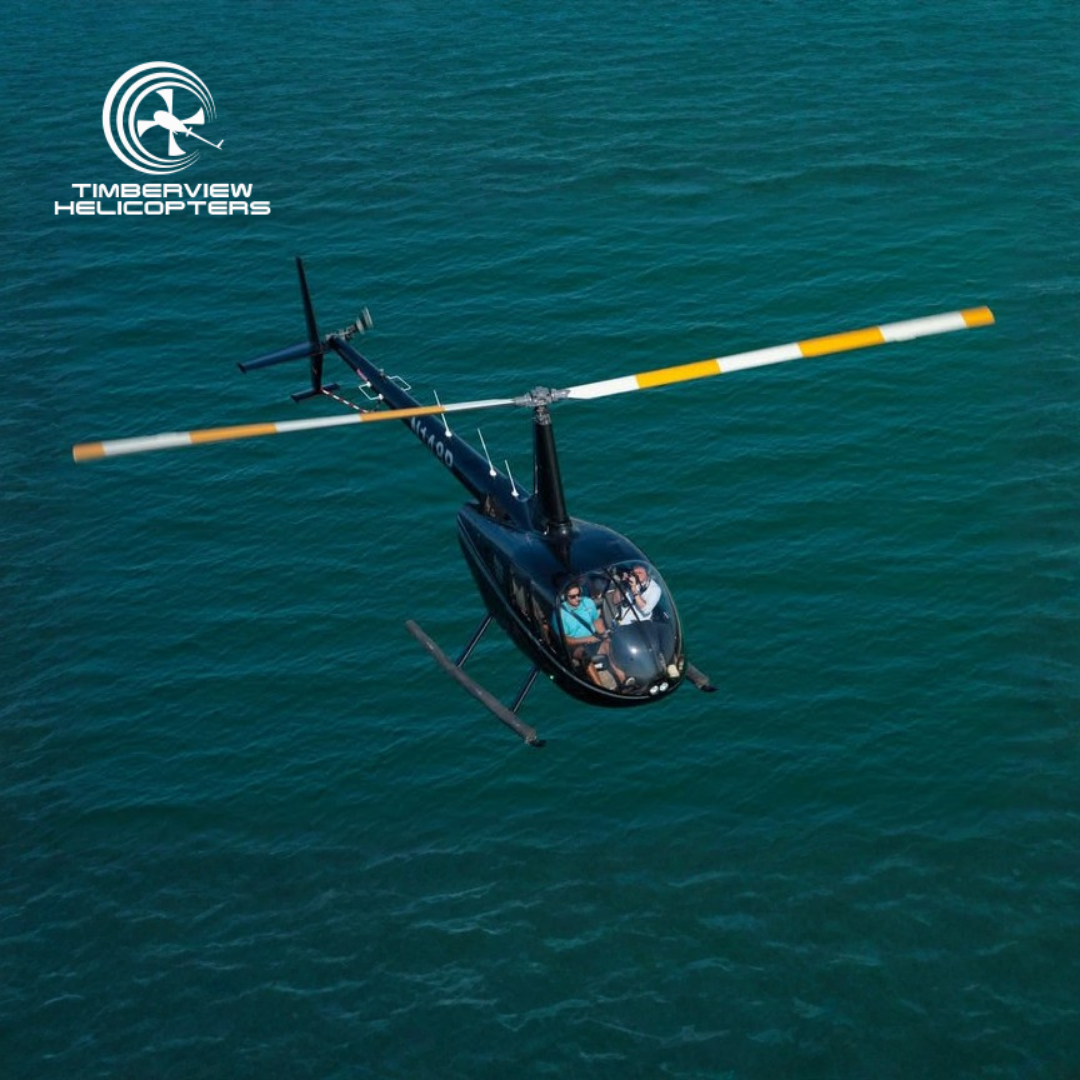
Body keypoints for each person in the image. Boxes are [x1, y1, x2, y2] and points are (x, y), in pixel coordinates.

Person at [559, 583, 626, 686]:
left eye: (578, 594)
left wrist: (604, 633)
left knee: (610, 644)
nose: (577, 598)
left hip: (592, 639)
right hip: (575, 645)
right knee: (584, 654)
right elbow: (566, 640)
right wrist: (587, 639)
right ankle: (599, 687)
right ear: (565, 597)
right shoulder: (561, 613)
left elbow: (597, 621)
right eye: (572, 597)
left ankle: (624, 681)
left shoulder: (588, 602)